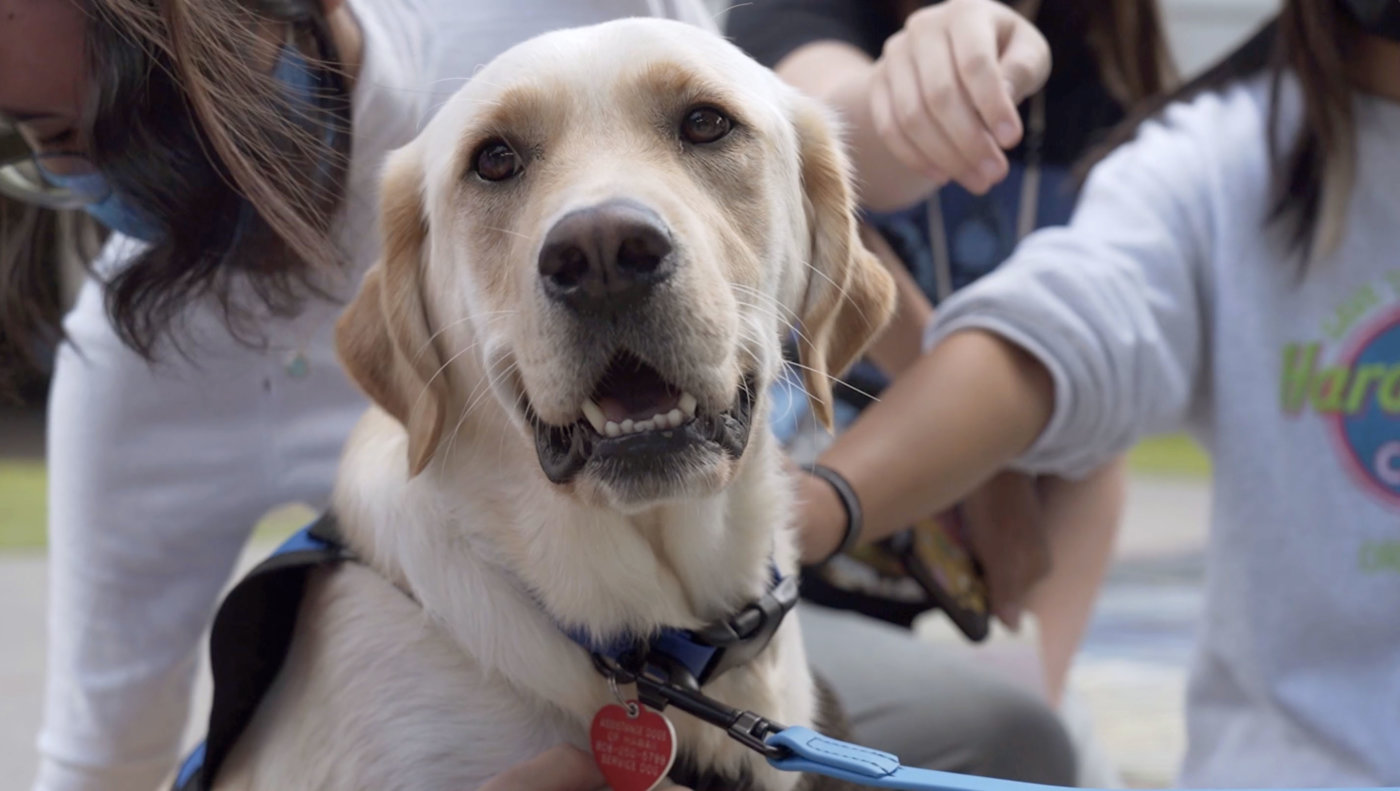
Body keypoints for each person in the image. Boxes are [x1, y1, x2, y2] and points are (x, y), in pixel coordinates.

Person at [0, 2, 719, 789]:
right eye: (57, 140)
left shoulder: (572, 18)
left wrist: (815, 499)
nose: (137, 173)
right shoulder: (137, 370)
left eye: (156, 105)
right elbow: (102, 762)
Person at [786, 0, 1400, 784]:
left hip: (983, 592)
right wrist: (811, 511)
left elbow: (1083, 413)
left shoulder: (1113, 83)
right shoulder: (1223, 158)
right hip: (804, 601)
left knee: (1037, 734)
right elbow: (1050, 336)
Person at [725, 0, 1175, 709]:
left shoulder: (1120, 90)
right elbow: (823, 148)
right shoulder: (794, 24)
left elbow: (1095, 382)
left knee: (1032, 737)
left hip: (991, 576)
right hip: (788, 569)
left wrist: (1034, 678)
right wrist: (984, 465)